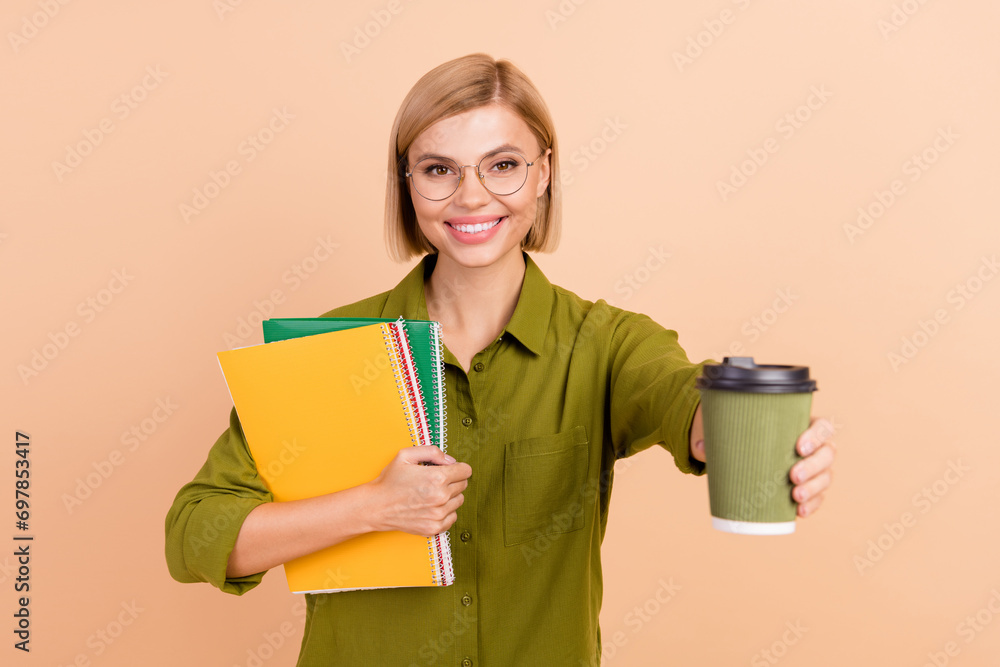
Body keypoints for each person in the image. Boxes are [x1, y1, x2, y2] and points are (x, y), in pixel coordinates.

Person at [165, 53, 836, 666]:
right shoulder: (330, 348)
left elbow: (675, 396)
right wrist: (373, 506)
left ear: (542, 172)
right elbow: (195, 535)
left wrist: (750, 430)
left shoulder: (605, 342)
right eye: (439, 170)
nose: (472, 196)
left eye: (502, 164)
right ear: (407, 183)